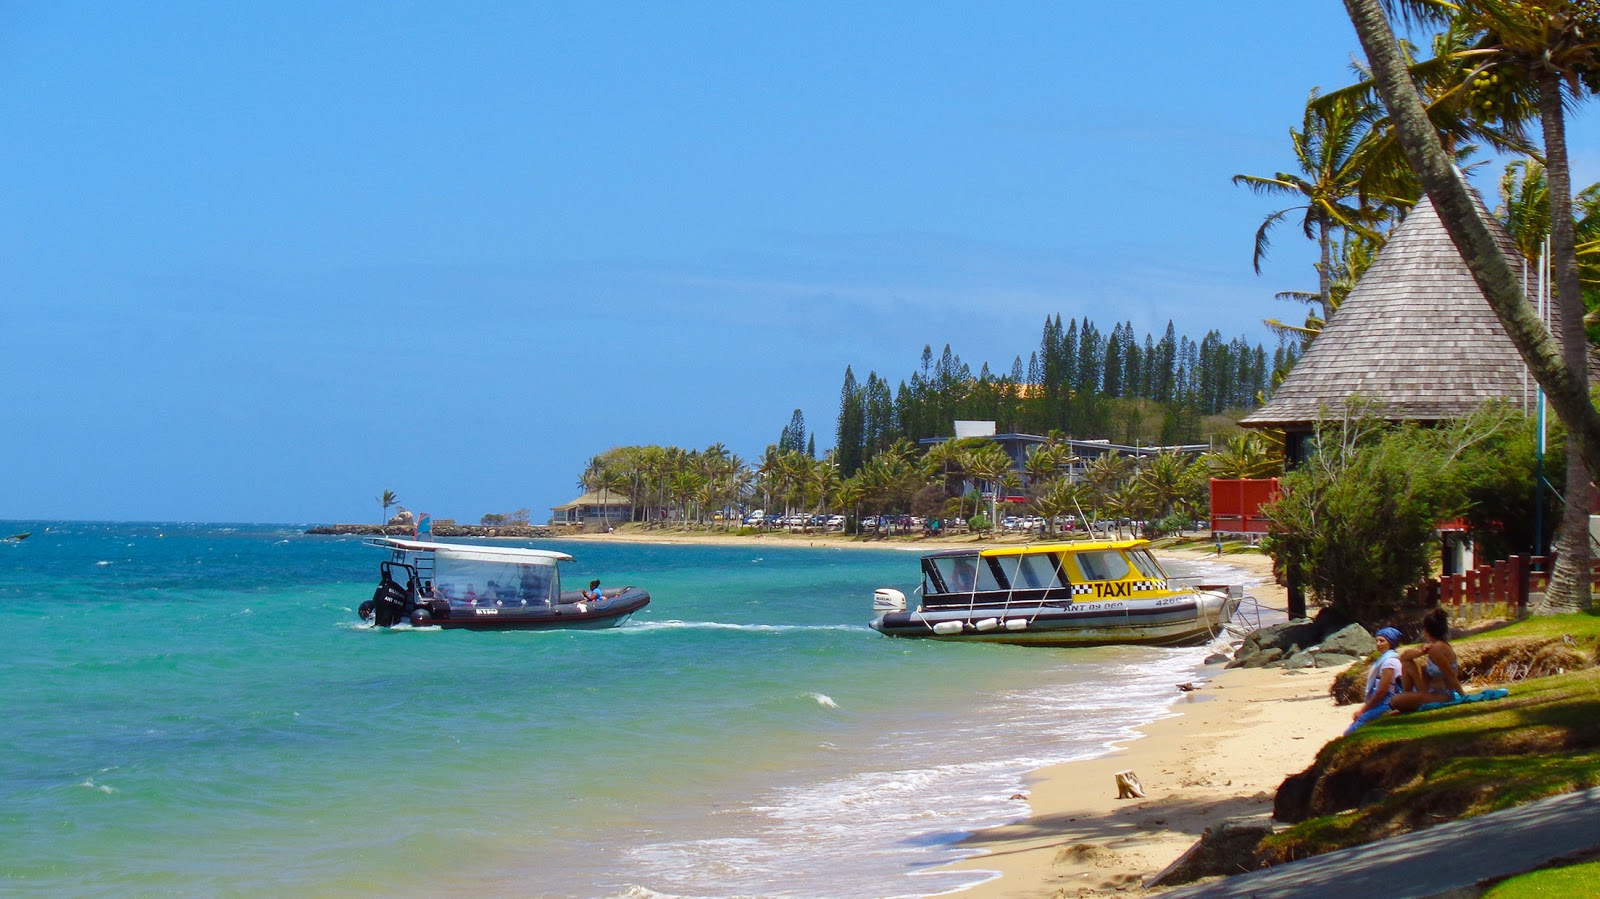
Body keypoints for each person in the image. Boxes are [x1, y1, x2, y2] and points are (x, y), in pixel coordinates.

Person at [1390, 608, 1464, 713]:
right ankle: (1406, 701)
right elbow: (1404, 658)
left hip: (1443, 695)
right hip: (1430, 690)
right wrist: (1421, 650)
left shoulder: (1437, 649)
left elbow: (1451, 676)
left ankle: (1406, 703)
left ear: (1426, 631)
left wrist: (1463, 697)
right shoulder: (1431, 646)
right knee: (1407, 664)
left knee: (1394, 701)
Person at [1346, 626, 1405, 734]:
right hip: (1383, 700)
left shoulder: (1389, 662)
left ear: (1390, 642)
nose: (1378, 644)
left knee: (1351, 731)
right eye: (1377, 641)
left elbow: (1382, 692)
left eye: (1382, 641)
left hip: (1387, 702)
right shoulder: (1387, 660)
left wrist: (1363, 710)